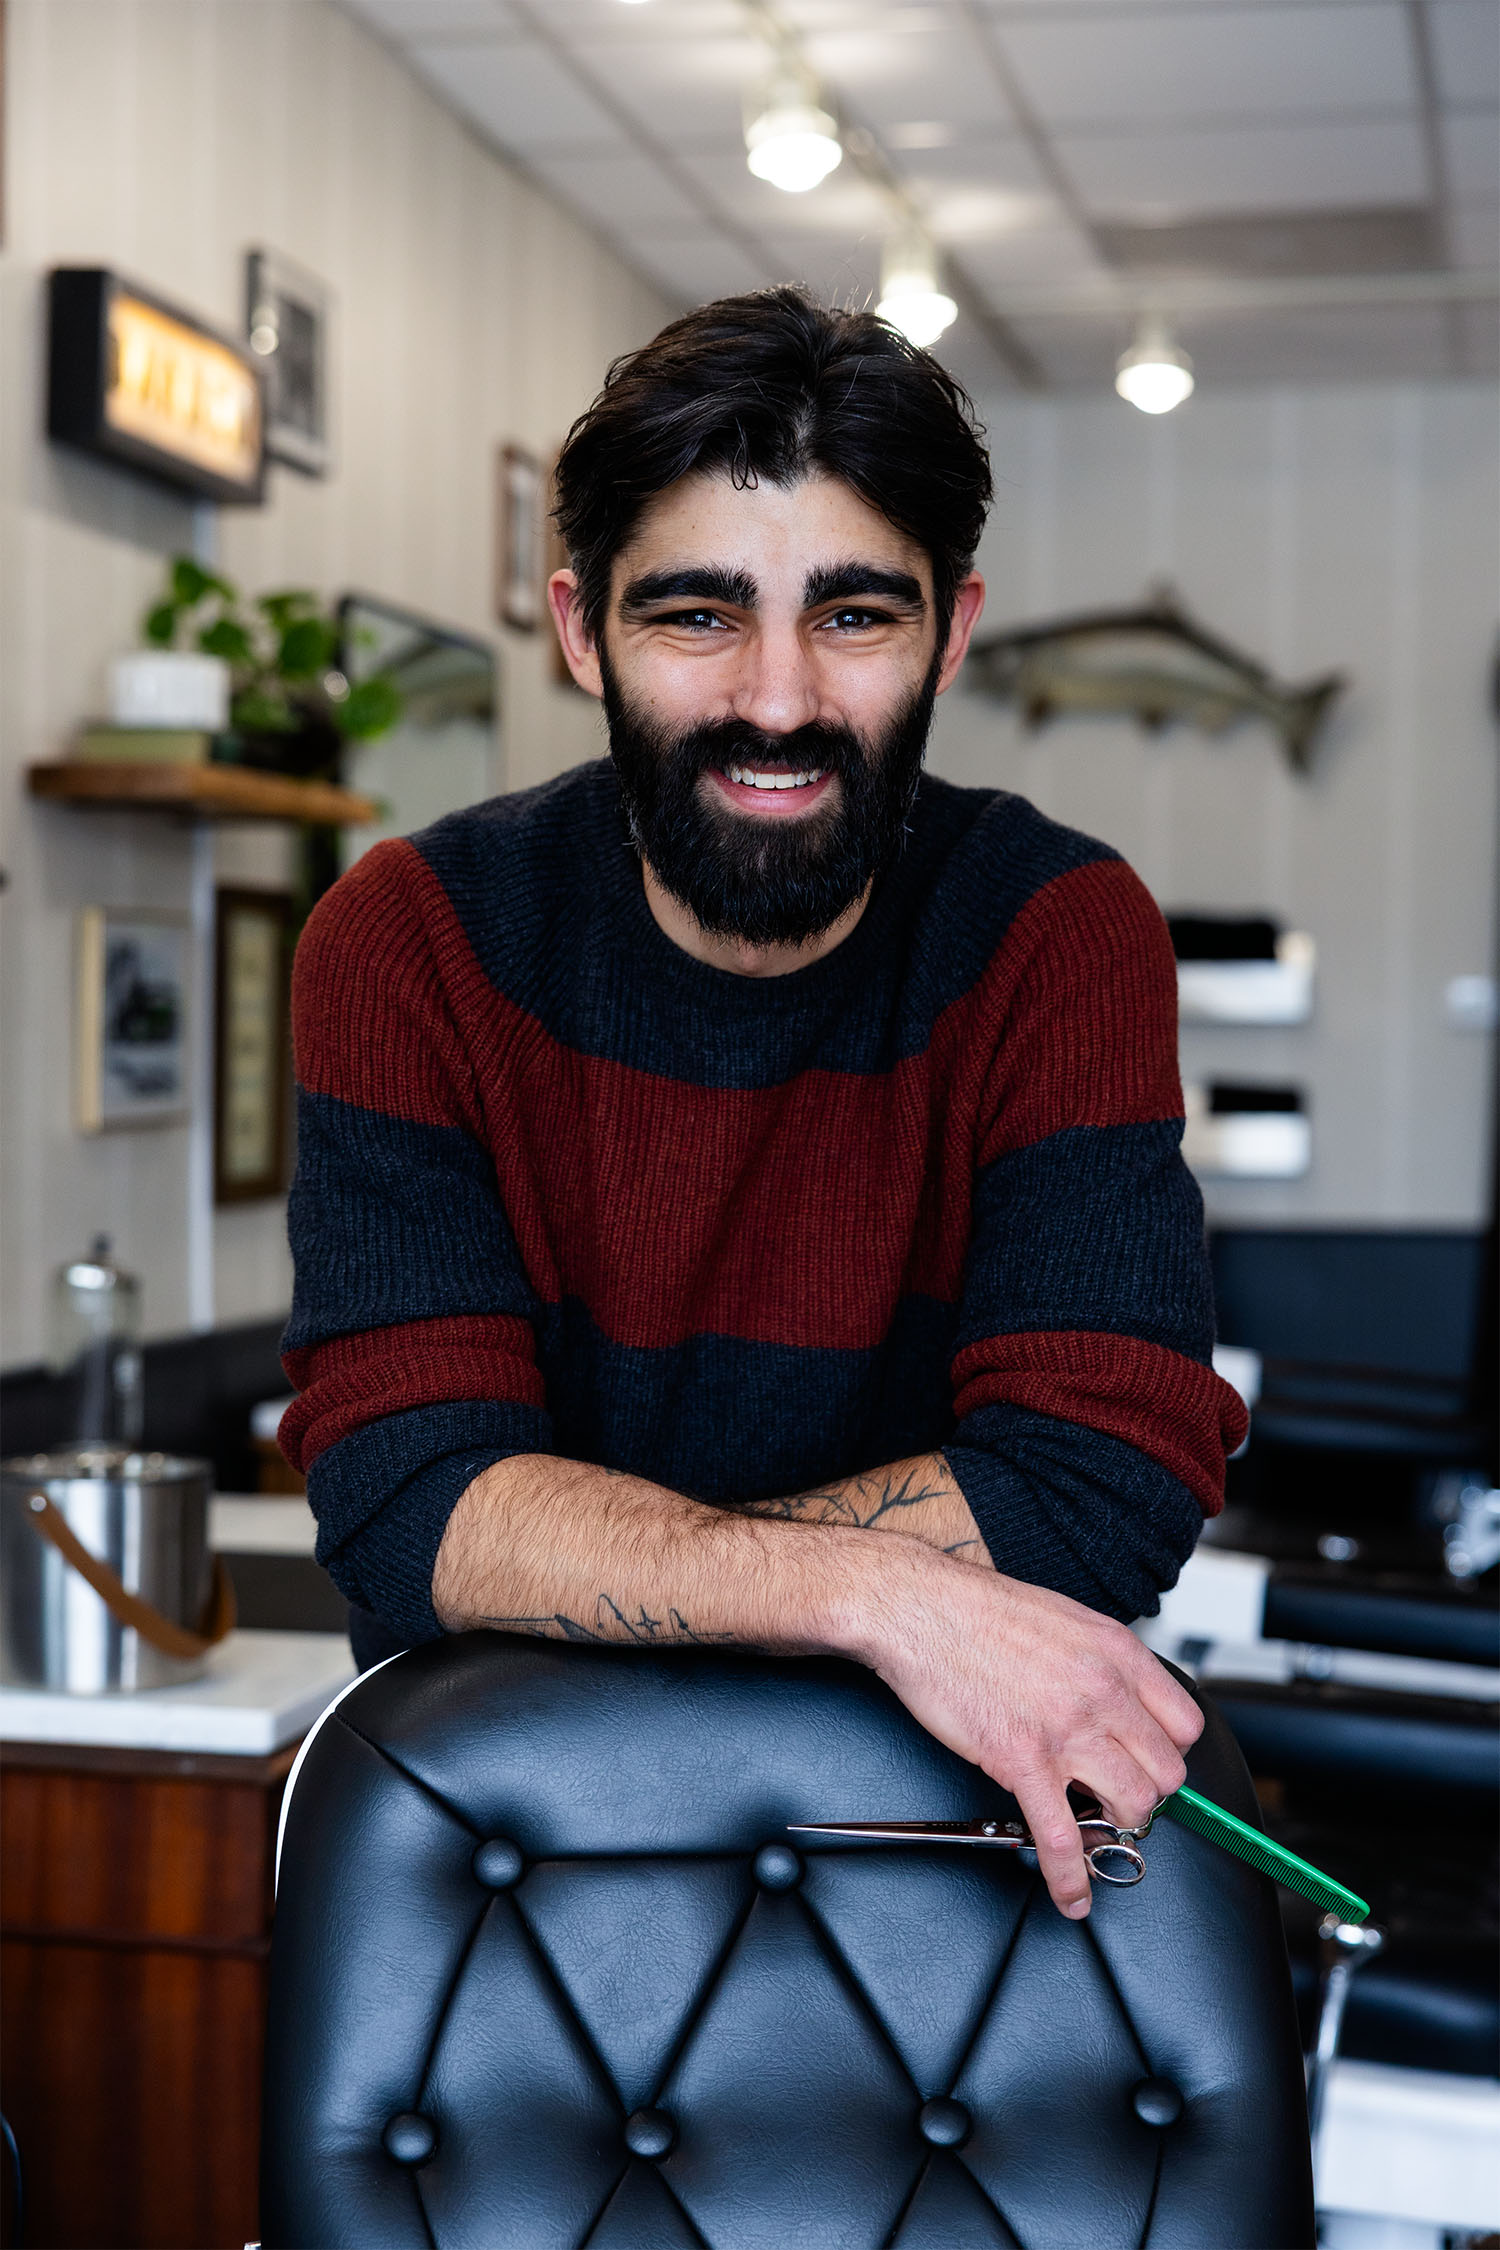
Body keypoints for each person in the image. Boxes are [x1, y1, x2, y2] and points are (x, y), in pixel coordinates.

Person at [280, 287, 1247, 1919]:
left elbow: (1103, 1482)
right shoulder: (413, 939)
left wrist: (590, 1559)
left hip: (965, 1864)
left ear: (954, 628)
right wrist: (883, 1598)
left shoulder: (1057, 932)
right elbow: (407, 1509)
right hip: (525, 1870)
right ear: (581, 628)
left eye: (856, 615)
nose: (781, 699)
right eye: (699, 615)